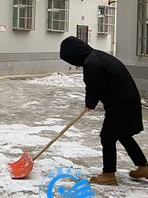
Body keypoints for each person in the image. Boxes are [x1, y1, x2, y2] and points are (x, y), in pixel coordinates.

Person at [60, 36, 148, 185]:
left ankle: (108, 174)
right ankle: (143, 167)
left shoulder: (91, 63)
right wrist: (91, 102)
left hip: (121, 105)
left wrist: (90, 103)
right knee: (123, 135)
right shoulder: (97, 56)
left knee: (107, 137)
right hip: (127, 101)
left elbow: (94, 87)